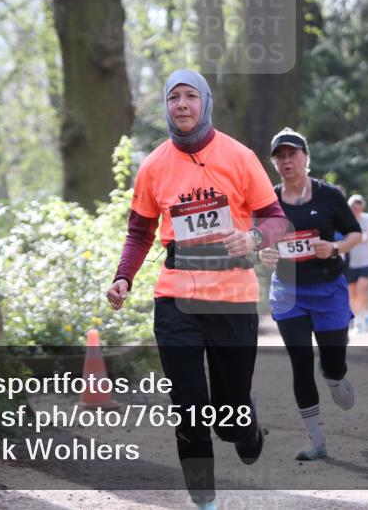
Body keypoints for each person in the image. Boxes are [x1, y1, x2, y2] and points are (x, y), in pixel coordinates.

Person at [106, 70, 288, 510]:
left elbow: (276, 219)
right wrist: (123, 276)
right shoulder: (153, 166)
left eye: (190, 96)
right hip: (176, 298)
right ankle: (203, 499)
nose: (182, 105)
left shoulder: (239, 157)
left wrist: (254, 239)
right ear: (166, 106)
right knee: (187, 405)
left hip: (232, 296)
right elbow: (139, 232)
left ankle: (245, 428)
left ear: (205, 102)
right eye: (174, 97)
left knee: (229, 414)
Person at [257, 127, 363, 461]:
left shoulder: (329, 195)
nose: (287, 161)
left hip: (328, 290)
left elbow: (354, 235)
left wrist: (333, 247)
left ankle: (334, 377)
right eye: (280, 156)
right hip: (288, 291)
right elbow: (259, 243)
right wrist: (264, 255)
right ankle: (316, 440)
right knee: (300, 363)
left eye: (292, 154)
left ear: (306, 157)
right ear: (275, 163)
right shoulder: (267, 199)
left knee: (332, 361)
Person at [345, 194, 368, 333]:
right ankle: (361, 319)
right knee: (352, 294)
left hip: (366, 260)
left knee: (361, 289)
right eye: (354, 207)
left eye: (358, 207)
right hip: (351, 262)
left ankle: (364, 319)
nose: (356, 210)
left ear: (362, 207)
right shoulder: (346, 220)